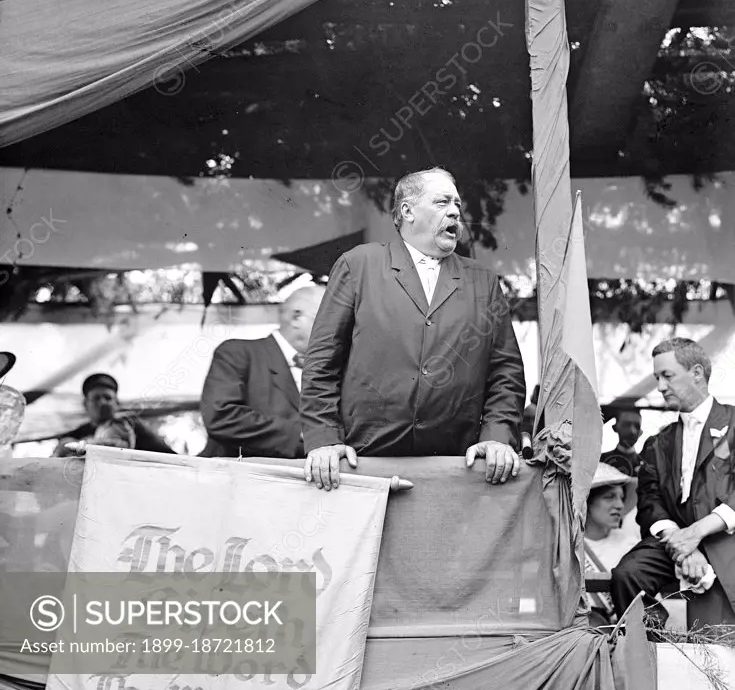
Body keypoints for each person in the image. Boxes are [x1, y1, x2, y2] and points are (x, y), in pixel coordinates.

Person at [301, 167, 526, 490]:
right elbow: (322, 361)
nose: (455, 211)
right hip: (362, 461)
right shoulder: (359, 265)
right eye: (442, 202)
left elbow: (506, 371)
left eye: (458, 205)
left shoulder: (483, 281)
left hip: (452, 469)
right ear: (407, 211)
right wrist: (323, 439)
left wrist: (498, 437)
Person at [611, 338, 735, 629]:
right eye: (657, 378)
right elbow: (649, 502)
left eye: (667, 376)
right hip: (674, 539)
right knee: (627, 575)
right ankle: (651, 641)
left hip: (725, 537)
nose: (660, 386)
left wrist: (699, 532)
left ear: (696, 373)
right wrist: (684, 545)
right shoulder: (656, 442)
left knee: (717, 638)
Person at [200, 286, 325, 459]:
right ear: (297, 317)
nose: (338, 331)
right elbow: (221, 417)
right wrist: (305, 434)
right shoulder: (237, 353)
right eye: (330, 321)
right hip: (237, 479)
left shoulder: (329, 370)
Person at [53, 373, 174, 456]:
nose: (103, 402)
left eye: (108, 398)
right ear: (85, 404)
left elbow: (167, 455)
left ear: (117, 403)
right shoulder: (75, 434)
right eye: (96, 398)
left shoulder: (131, 425)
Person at [584, 464, 639, 628]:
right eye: (609, 497)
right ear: (586, 502)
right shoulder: (565, 547)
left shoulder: (632, 546)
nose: (620, 505)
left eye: (621, 498)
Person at [601, 409, 643, 477]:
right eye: (626, 425)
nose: (632, 431)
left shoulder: (646, 464)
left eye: (637, 426)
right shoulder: (602, 461)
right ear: (615, 428)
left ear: (640, 432)